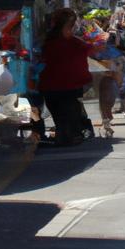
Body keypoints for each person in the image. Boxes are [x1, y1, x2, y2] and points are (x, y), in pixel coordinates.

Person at [39, 8, 93, 146]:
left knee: (59, 113)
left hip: (50, 84)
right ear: (70, 24)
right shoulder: (73, 42)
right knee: (70, 112)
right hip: (70, 84)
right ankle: (68, 136)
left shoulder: (46, 40)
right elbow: (88, 49)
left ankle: (64, 136)